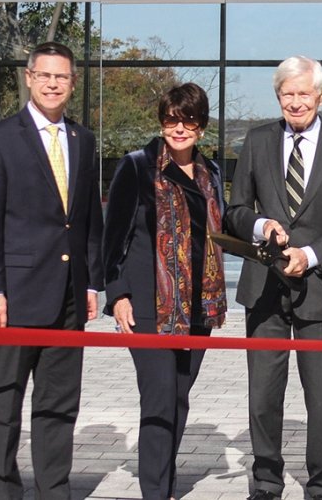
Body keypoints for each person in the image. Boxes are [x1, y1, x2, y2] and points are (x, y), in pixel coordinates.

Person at [224, 56, 322, 500]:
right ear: (278, 96)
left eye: (304, 93)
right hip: (264, 288)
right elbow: (234, 210)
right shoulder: (256, 140)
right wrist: (260, 226)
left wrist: (309, 255)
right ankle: (266, 480)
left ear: (321, 96)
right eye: (287, 93)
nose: (295, 101)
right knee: (262, 397)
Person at [0, 41, 103, 500]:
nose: (52, 84)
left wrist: (90, 281)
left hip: (68, 295)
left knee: (59, 403)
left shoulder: (83, 140)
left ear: (72, 82)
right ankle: (4, 490)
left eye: (61, 76)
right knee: (5, 401)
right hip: (14, 296)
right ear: (28, 78)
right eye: (44, 75)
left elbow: (86, 220)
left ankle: (53, 489)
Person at [102, 83, 227, 500]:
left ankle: (167, 484)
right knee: (158, 396)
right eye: (172, 118)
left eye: (188, 119)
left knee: (178, 396)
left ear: (201, 126)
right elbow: (113, 236)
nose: (179, 127)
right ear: (162, 121)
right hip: (150, 303)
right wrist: (117, 293)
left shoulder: (212, 173)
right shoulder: (137, 166)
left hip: (197, 307)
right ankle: (155, 491)